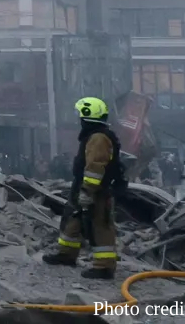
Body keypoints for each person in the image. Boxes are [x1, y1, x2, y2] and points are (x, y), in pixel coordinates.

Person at [41, 97, 125, 279]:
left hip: (96, 190)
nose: (78, 118)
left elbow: (95, 167)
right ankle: (66, 254)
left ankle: (104, 266)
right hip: (83, 186)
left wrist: (88, 191)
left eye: (80, 114)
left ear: (87, 116)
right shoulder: (94, 135)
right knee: (74, 219)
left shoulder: (98, 137)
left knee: (99, 225)